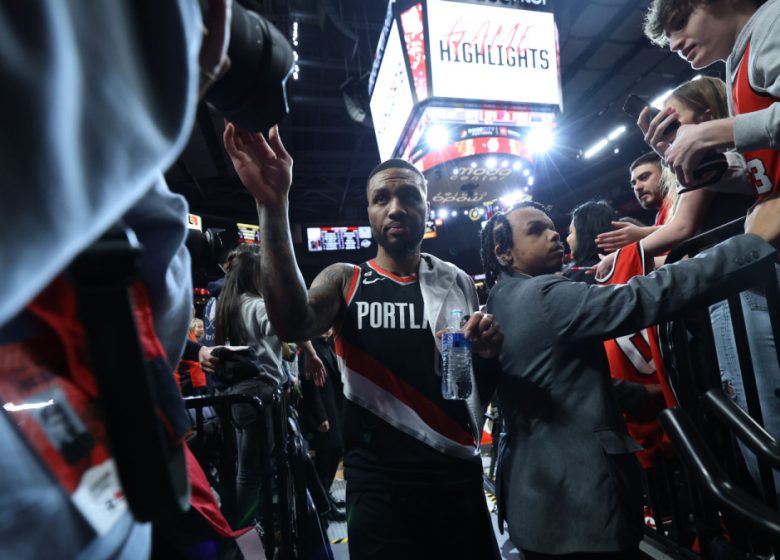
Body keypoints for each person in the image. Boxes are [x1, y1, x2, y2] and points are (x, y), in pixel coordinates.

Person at [222, 123, 503, 560]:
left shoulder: (458, 280)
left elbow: (468, 383)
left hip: (455, 472)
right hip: (380, 484)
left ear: (428, 206)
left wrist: (487, 353)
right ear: (368, 212)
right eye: (382, 199)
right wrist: (272, 205)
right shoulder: (346, 280)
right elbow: (292, 324)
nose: (396, 208)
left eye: (410, 196)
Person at [479, 198, 780, 558]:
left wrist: (641, 394)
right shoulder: (545, 295)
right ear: (503, 252)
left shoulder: (500, 299)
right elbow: (646, 296)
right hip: (579, 511)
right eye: (535, 230)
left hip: (536, 508)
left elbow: (554, 379)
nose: (553, 234)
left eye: (551, 226)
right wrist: (751, 242)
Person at [644, 0, 780, 494]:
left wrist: (715, 130)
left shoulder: (771, 23)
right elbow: (766, 175)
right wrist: (706, 165)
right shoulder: (737, 64)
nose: (675, 43)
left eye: (679, 23)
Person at [213, 244, 325, 527]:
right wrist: (311, 354)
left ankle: (252, 527)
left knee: (245, 469)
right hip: (260, 397)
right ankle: (246, 534)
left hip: (234, 397)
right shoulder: (258, 306)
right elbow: (291, 326)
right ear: (254, 276)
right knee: (252, 473)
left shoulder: (224, 307)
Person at [563, 201, 617, 283]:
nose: (567, 239)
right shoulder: (619, 264)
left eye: (571, 232)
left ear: (584, 235)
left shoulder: (584, 277)